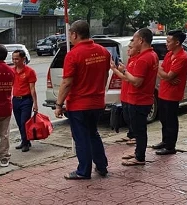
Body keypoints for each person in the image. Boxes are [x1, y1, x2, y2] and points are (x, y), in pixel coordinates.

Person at [55, 20, 111, 180]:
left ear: (74, 34)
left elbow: (67, 82)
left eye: (70, 35)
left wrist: (59, 104)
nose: (70, 38)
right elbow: (105, 75)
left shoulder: (73, 55)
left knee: (81, 138)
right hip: (97, 102)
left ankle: (83, 171)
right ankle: (102, 166)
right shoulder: (103, 52)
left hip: (79, 104)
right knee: (93, 133)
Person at [111, 28, 158, 166]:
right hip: (139, 99)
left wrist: (124, 70)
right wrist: (117, 70)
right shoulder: (150, 55)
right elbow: (130, 78)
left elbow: (137, 82)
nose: (132, 41)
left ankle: (140, 157)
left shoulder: (145, 58)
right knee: (138, 130)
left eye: (134, 39)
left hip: (139, 100)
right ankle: (139, 152)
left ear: (141, 40)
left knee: (140, 130)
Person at [152, 30, 187, 155]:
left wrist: (160, 70)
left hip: (173, 94)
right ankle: (165, 141)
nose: (166, 44)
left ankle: (170, 146)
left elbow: (167, 75)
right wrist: (165, 75)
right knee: (163, 119)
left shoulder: (183, 57)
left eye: (169, 41)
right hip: (163, 91)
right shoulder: (169, 55)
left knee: (171, 120)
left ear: (177, 42)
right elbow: (165, 73)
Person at [12, 49, 38, 152]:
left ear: (23, 59)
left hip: (26, 100)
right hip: (16, 99)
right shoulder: (12, 71)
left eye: (17, 59)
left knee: (24, 122)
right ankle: (25, 140)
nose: (14, 61)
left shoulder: (29, 71)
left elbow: (32, 88)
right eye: (13, 59)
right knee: (19, 122)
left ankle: (26, 142)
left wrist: (35, 103)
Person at [113, 41, 138, 147]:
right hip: (125, 93)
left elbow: (126, 78)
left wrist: (116, 70)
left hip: (131, 94)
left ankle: (135, 136)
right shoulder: (130, 60)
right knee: (127, 115)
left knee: (133, 117)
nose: (128, 50)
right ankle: (130, 134)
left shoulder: (137, 61)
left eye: (131, 48)